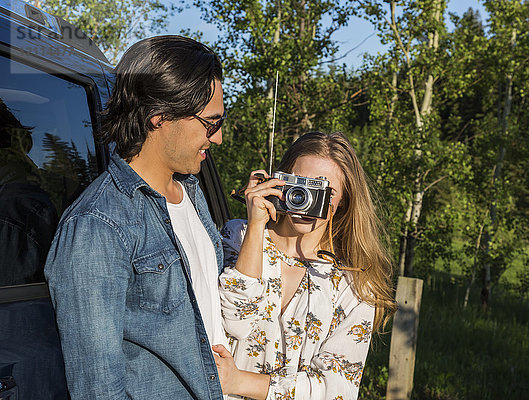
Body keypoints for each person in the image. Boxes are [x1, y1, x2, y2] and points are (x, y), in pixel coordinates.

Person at [44, 35, 228, 399]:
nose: (218, 138)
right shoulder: (97, 226)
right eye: (210, 123)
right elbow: (98, 387)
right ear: (159, 118)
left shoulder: (192, 192)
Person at [212, 131, 397, 399]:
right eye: (300, 184)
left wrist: (239, 382)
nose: (305, 198)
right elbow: (236, 323)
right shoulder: (238, 237)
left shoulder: (354, 284)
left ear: (344, 199)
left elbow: (335, 388)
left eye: (324, 190)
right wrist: (255, 225)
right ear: (279, 181)